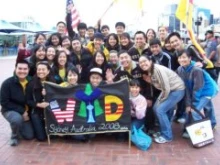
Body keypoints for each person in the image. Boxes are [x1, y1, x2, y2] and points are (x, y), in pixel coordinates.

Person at [138, 55, 185, 143]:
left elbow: (166, 88)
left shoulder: (157, 69)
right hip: (169, 91)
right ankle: (165, 130)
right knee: (156, 108)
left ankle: (167, 136)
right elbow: (160, 85)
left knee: (160, 110)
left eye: (144, 61)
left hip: (177, 90)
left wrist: (161, 100)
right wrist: (150, 81)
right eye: (140, 63)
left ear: (150, 61)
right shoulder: (151, 70)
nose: (142, 64)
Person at [176, 50, 218, 137]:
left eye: (184, 57)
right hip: (195, 90)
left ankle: (201, 135)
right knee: (199, 107)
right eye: (180, 58)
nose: (181, 60)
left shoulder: (196, 70)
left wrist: (193, 105)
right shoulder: (180, 69)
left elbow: (197, 88)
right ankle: (209, 124)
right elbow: (186, 88)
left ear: (190, 58)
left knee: (195, 111)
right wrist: (188, 104)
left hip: (207, 90)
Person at [0, 60, 34, 146]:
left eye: (25, 69)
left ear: (28, 70)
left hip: (27, 111)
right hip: (10, 110)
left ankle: (19, 127)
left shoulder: (31, 81)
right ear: (15, 69)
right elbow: (4, 102)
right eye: (20, 68)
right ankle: (14, 136)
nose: (22, 71)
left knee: (29, 136)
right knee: (16, 119)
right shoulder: (7, 83)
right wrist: (22, 111)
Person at [26, 61, 55, 141]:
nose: (41, 71)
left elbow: (56, 98)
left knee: (53, 135)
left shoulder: (52, 82)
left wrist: (48, 94)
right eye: (39, 69)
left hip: (50, 112)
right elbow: (28, 100)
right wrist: (38, 104)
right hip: (37, 112)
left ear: (48, 71)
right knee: (41, 138)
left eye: (43, 69)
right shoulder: (31, 84)